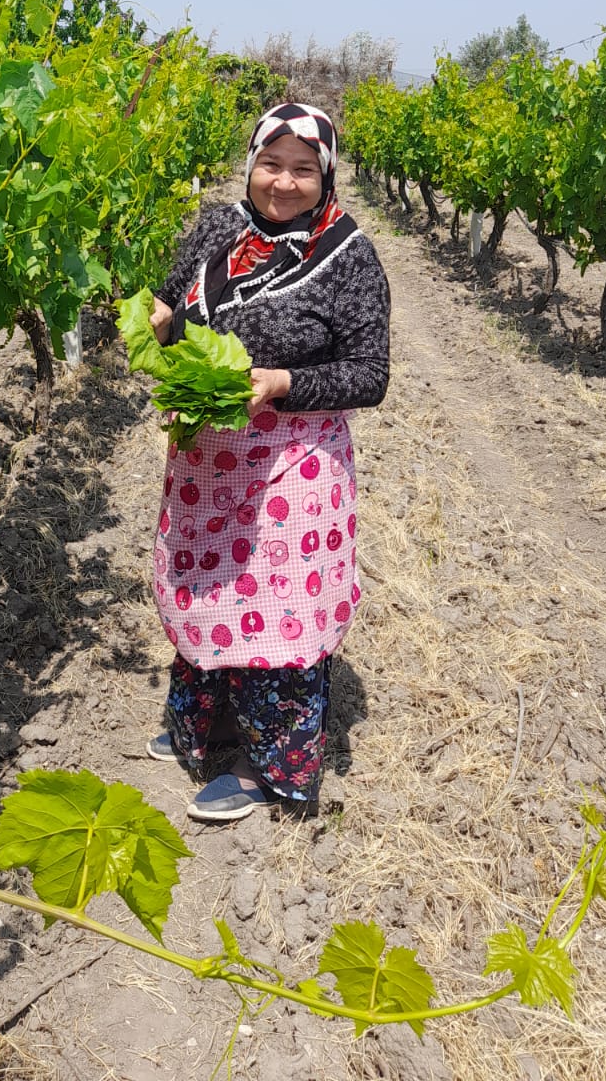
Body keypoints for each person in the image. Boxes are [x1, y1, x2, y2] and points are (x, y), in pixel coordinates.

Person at [146, 101, 390, 821]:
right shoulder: (220, 228)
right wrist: (154, 318)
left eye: (303, 169)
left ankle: (267, 765)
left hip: (293, 461)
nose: (283, 182)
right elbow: (172, 300)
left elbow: (370, 375)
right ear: (251, 163)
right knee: (209, 587)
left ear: (327, 175)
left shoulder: (349, 256)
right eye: (271, 164)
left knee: (279, 607)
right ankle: (215, 722)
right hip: (206, 455)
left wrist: (283, 385)